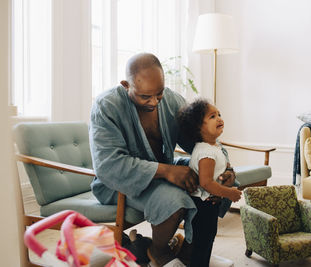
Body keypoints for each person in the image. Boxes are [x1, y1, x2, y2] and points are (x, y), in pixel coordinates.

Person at [89, 53, 235, 267]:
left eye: (159, 94)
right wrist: (167, 171)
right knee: (174, 199)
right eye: (145, 97)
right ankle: (157, 252)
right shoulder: (106, 106)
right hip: (118, 184)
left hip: (163, 170)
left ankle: (191, 251)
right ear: (125, 85)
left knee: (214, 177)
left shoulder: (171, 101)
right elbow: (108, 165)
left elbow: (201, 139)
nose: (154, 102)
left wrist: (225, 166)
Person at [177, 98, 241, 267]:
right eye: (212, 117)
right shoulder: (206, 152)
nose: (219, 118)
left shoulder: (213, 147)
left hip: (209, 203)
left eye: (219, 114)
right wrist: (230, 193)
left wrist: (228, 170)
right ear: (198, 128)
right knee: (202, 243)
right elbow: (205, 183)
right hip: (203, 205)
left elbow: (221, 168)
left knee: (207, 239)